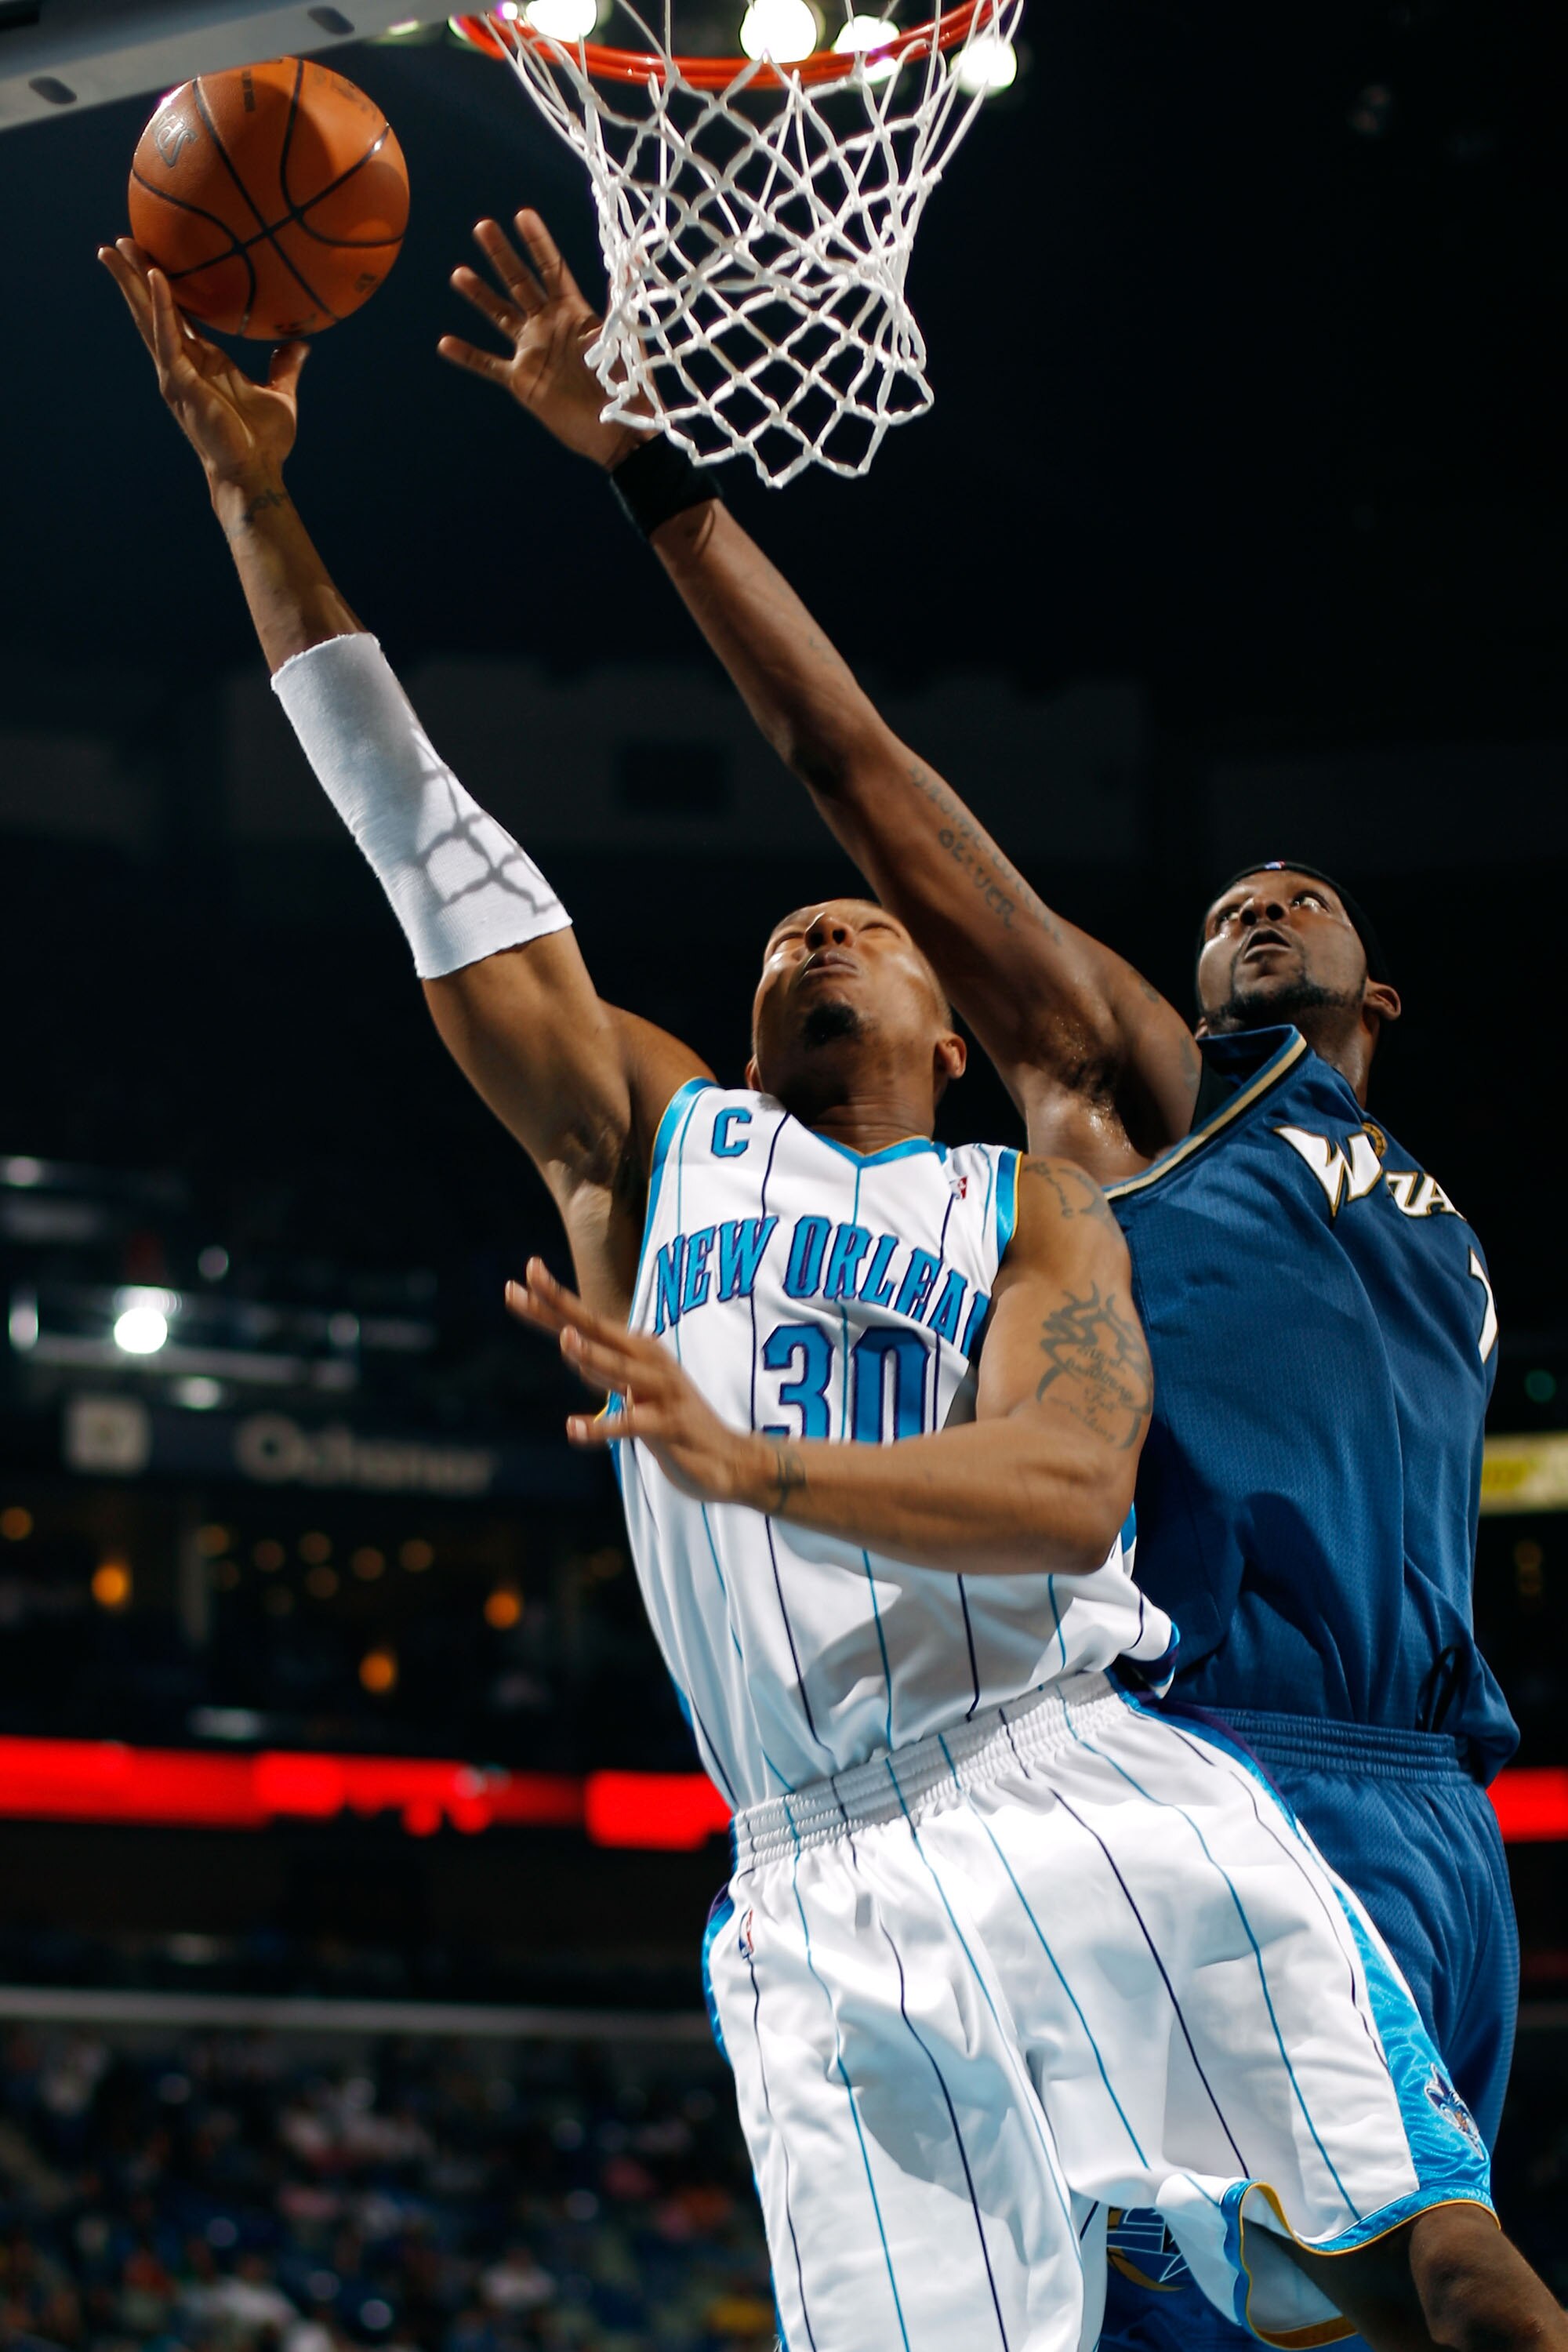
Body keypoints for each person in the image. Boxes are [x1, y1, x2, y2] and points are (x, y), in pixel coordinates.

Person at [100, 233, 1562, 2352]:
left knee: (1431, 2261)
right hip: (833, 1865)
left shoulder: (1046, 1203)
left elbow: (1069, 1488)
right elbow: (432, 848)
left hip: (1105, 1770)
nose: (825, 931)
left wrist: (746, 1461)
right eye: (791, 930)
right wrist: (258, 505)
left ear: (962, 1041)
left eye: (857, 929)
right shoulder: (666, 1139)